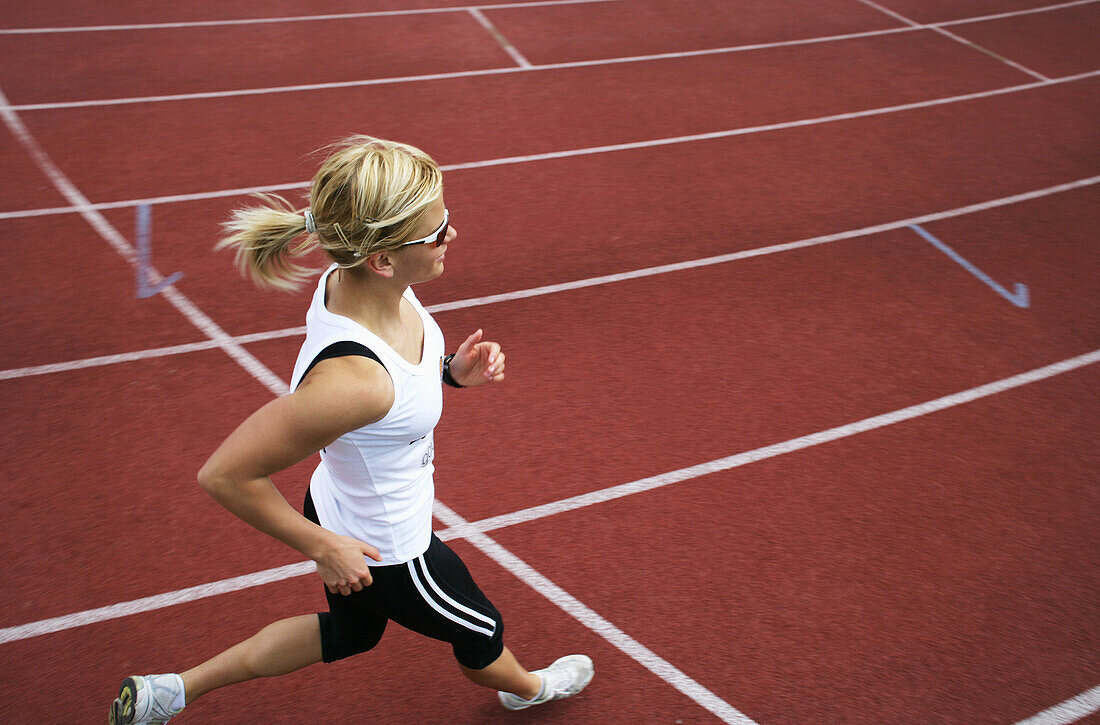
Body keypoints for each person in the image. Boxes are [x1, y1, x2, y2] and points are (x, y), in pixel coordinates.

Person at [109, 135, 593, 724]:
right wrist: (324, 548)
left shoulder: (357, 284)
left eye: (447, 220)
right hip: (387, 551)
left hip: (341, 508)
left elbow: (392, 395)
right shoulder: (355, 383)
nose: (452, 236)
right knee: (482, 632)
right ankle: (530, 689)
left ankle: (168, 693)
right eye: (435, 233)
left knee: (350, 634)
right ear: (383, 258)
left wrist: (449, 374)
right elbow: (226, 475)